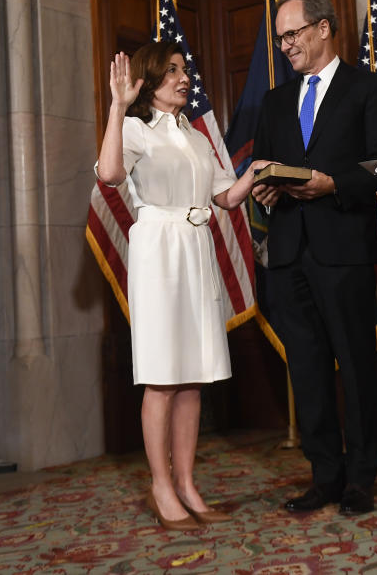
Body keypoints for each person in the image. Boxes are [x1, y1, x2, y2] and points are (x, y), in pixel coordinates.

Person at [95, 42, 270, 531]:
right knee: (163, 374)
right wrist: (117, 106)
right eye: (172, 70)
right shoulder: (133, 127)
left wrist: (256, 171)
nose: (184, 77)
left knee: (193, 376)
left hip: (197, 249)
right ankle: (160, 487)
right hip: (159, 251)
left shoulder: (195, 135)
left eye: (185, 69)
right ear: (149, 81)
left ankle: (188, 484)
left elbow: (224, 197)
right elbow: (109, 174)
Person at [251, 0, 377, 515]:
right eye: (281, 38)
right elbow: (265, 167)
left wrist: (332, 183)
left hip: (344, 248)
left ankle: (361, 479)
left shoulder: (369, 88)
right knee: (309, 370)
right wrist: (267, 187)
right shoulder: (273, 102)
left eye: (292, 34)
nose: (286, 45)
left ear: (323, 29)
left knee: (357, 367)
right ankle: (325, 476)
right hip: (289, 254)